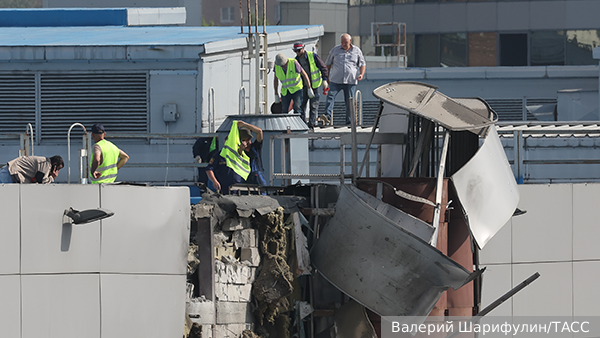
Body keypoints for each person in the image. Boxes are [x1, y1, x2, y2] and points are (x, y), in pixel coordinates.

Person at [205, 120, 264, 194]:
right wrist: (241, 149)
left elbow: (259, 132)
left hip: (255, 176)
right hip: (242, 180)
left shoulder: (255, 147)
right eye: (244, 140)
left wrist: (245, 125)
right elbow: (209, 168)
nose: (247, 142)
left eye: (248, 139)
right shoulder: (229, 153)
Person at [321, 34, 366, 125]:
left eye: (345, 42)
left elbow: (362, 64)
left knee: (349, 101)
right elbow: (328, 64)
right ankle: (327, 115)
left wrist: (361, 74)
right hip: (336, 80)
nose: (343, 44)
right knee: (330, 96)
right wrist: (326, 77)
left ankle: (349, 121)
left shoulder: (357, 51)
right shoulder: (335, 50)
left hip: (350, 81)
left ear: (350, 41)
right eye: (342, 42)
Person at [293, 42, 329, 130]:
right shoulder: (295, 60)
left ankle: (312, 124)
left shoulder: (312, 56)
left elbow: (323, 67)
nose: (297, 53)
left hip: (314, 85)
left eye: (299, 50)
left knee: (313, 105)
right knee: (302, 106)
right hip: (303, 86)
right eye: (296, 51)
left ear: (303, 49)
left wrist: (325, 80)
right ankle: (303, 125)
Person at [273, 53, 313, 119]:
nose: (282, 66)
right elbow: (275, 79)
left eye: (283, 65)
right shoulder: (277, 66)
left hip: (297, 89)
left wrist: (309, 88)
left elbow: (304, 74)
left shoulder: (293, 63)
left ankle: (298, 125)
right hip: (285, 90)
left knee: (297, 108)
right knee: (284, 110)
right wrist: (276, 93)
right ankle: (284, 126)